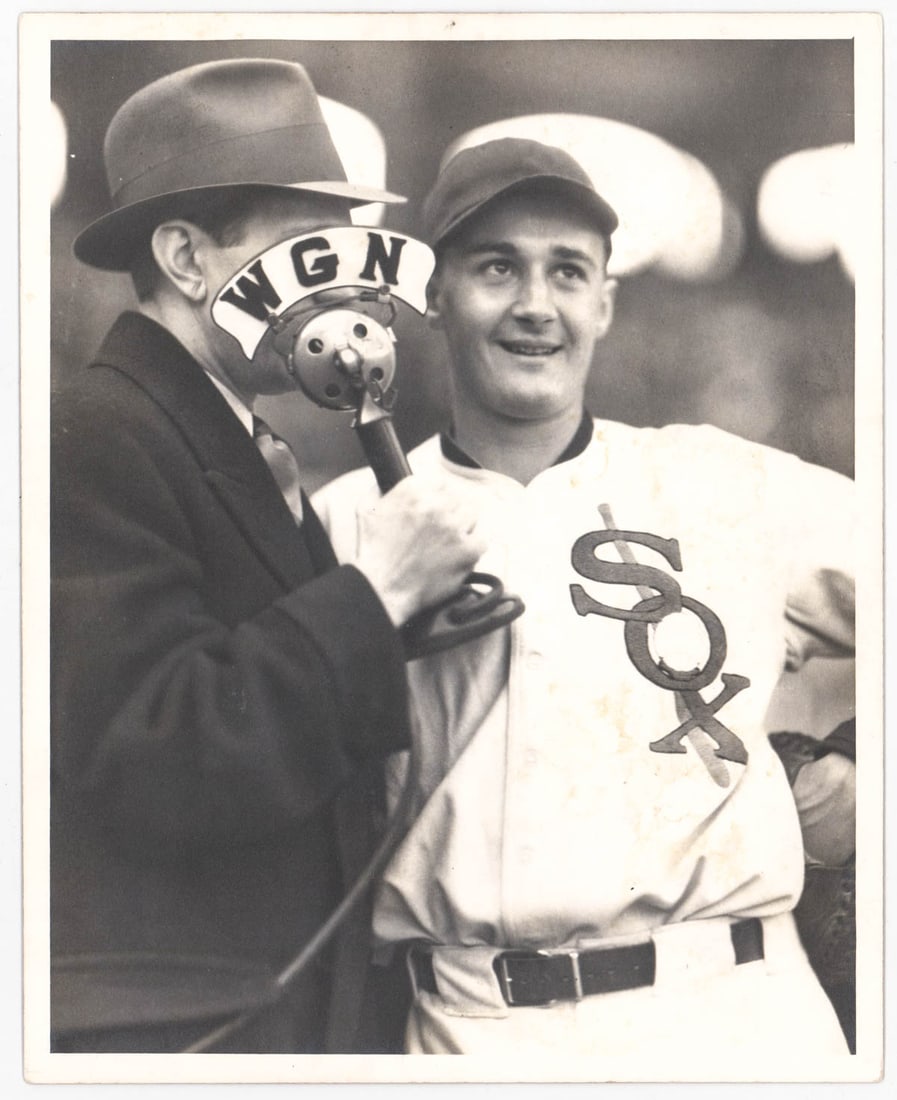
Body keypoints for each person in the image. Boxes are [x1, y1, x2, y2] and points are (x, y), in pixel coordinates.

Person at [314, 136, 857, 1062]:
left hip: (735, 1011)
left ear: (603, 302)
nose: (534, 305)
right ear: (433, 297)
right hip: (469, 1025)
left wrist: (856, 763)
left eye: (567, 271)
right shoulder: (346, 523)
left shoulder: (723, 483)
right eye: (496, 267)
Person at [50, 58, 485, 1054]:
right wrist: (376, 593)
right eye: (303, 248)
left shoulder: (231, 437)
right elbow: (155, 749)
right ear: (189, 259)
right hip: (177, 1027)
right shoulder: (98, 438)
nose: (336, 285)